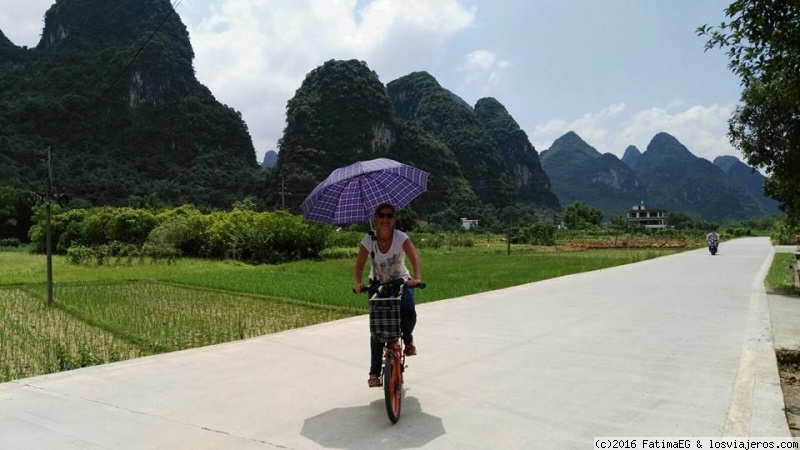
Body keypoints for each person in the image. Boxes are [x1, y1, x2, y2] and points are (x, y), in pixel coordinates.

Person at [353, 203, 422, 388]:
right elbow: (359, 265)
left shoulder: (401, 237)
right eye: (381, 216)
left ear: (394, 219)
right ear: (376, 218)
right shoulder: (369, 239)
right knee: (377, 329)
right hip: (378, 285)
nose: (385, 219)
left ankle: (408, 339)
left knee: (408, 311)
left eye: (389, 216)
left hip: (401, 282)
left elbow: (414, 257)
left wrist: (416, 279)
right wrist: (358, 284)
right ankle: (374, 373)